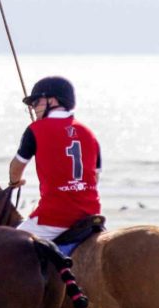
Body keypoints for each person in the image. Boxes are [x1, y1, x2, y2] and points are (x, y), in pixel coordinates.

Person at [7, 76, 102, 242]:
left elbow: (16, 167)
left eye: (36, 102)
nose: (33, 108)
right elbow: (95, 177)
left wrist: (15, 182)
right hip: (91, 213)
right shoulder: (89, 132)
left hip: (54, 218)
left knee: (7, 243)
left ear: (52, 100)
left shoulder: (35, 129)